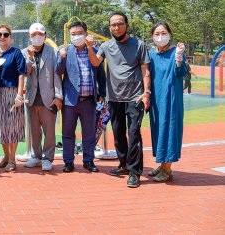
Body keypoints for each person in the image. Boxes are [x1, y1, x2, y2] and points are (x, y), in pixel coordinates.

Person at [87, 12, 150, 188]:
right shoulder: (106, 46)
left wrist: (147, 92)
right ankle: (123, 164)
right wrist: (90, 46)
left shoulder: (139, 45)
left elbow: (145, 70)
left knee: (134, 133)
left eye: (119, 24)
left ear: (126, 25)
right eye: (113, 25)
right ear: (109, 28)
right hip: (114, 97)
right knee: (118, 133)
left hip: (135, 96)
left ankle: (135, 172)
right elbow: (95, 62)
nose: (116, 27)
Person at [56, 21, 106, 173]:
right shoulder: (65, 51)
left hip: (89, 100)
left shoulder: (95, 51)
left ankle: (88, 161)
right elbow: (58, 71)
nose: (76, 36)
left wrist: (102, 93)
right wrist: (62, 57)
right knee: (68, 133)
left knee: (89, 133)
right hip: (70, 100)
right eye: (73, 34)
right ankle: (69, 161)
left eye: (79, 33)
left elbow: (101, 74)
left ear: (86, 34)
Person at [148, 22, 187, 182]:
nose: (160, 36)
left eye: (163, 33)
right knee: (158, 130)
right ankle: (162, 164)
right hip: (156, 100)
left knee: (169, 130)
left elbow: (181, 73)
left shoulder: (175, 52)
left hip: (170, 99)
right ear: (152, 37)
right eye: (157, 34)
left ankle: (167, 169)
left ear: (169, 34)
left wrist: (179, 58)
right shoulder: (151, 54)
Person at [22, 23, 63, 171]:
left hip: (48, 97)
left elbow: (57, 74)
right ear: (29, 37)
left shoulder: (52, 51)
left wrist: (58, 96)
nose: (37, 37)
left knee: (49, 130)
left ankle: (48, 157)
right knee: (34, 130)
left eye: (40, 34)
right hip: (32, 98)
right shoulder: (25, 52)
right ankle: (36, 156)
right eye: (34, 35)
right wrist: (30, 58)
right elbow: (25, 73)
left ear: (45, 36)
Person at [0, 24, 27, 172]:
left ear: (10, 37)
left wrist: (19, 94)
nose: (2, 37)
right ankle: (5, 156)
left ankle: (12, 159)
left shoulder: (16, 53)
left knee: (13, 125)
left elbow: (21, 73)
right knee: (0, 125)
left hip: (12, 91)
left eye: (5, 34)